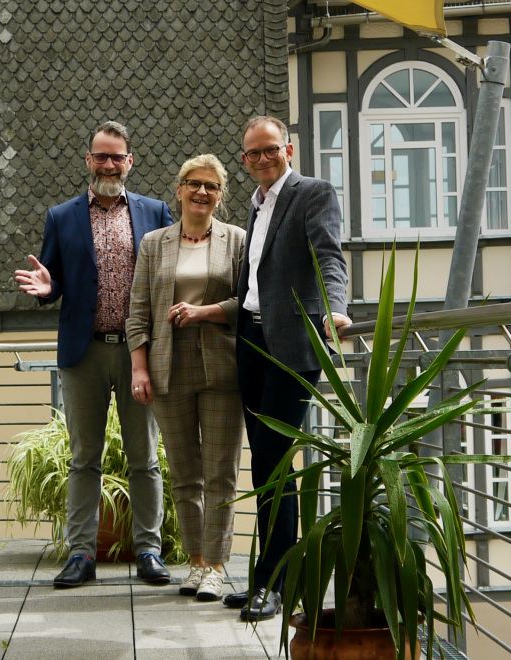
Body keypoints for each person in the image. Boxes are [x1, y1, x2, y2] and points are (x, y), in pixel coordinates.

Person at [14, 120, 174, 588]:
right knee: (85, 457)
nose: (108, 164)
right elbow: (54, 278)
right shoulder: (61, 217)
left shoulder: (154, 212)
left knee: (144, 455)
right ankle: (81, 553)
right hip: (84, 352)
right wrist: (48, 289)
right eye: (100, 156)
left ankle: (148, 549)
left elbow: (172, 272)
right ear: (88, 161)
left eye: (116, 156)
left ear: (130, 161)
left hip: (137, 352)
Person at [225, 116, 352, 621]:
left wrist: (335, 306)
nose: (262, 159)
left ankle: (274, 584)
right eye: (253, 153)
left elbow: (329, 256)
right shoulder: (256, 206)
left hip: (293, 345)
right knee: (263, 461)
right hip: (251, 339)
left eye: (270, 150)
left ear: (290, 149)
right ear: (244, 160)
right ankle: (270, 577)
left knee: (275, 463)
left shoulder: (312, 193)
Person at [126, 154, 246, 602]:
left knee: (221, 473)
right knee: (183, 474)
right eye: (194, 184)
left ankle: (215, 566)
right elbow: (137, 312)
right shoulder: (154, 244)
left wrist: (205, 312)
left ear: (220, 196)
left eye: (211, 187)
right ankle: (195, 562)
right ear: (178, 190)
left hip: (222, 368)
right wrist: (139, 368)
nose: (201, 192)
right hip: (167, 369)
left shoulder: (238, 240)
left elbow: (249, 305)